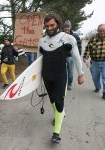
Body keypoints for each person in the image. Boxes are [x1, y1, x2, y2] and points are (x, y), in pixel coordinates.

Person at [37, 13, 84, 143]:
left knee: (58, 102)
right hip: (47, 76)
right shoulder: (42, 41)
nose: (49, 28)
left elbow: (76, 57)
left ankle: (56, 133)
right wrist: (36, 80)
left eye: (52, 25)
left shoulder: (68, 38)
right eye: (47, 26)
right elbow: (37, 61)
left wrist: (81, 74)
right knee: (52, 100)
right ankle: (60, 114)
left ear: (58, 24)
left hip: (60, 76)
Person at [83, 24, 105, 99]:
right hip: (94, 62)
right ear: (97, 31)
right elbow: (88, 49)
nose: (102, 32)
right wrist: (85, 57)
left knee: (104, 77)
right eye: (100, 31)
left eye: (103, 30)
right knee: (95, 77)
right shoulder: (93, 39)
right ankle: (98, 87)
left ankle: (104, 93)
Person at [63, 20, 82, 90]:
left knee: (70, 71)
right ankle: (63, 84)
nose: (67, 29)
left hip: (71, 56)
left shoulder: (75, 36)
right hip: (62, 56)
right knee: (62, 71)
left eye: (68, 28)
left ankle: (69, 84)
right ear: (63, 28)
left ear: (70, 27)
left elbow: (79, 46)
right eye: (65, 28)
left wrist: (78, 56)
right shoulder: (61, 35)